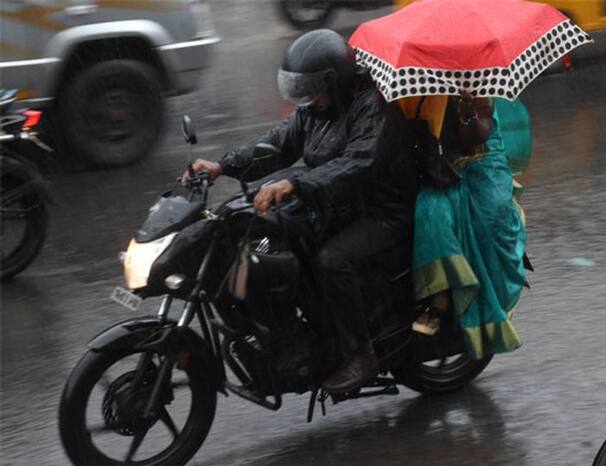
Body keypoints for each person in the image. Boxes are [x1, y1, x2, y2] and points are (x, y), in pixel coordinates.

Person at [188, 29, 417, 393]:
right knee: (272, 243)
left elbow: (358, 163)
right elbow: (279, 144)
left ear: (334, 79)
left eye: (311, 89)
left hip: (383, 208)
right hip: (340, 201)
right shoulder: (319, 109)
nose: (305, 99)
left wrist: (295, 185)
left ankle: (361, 355)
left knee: (330, 259)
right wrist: (223, 166)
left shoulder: (373, 105)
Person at [410, 92, 527, 361]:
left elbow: (477, 137)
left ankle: (444, 302)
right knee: (429, 209)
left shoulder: (479, 89)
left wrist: (467, 110)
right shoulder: (425, 88)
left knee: (488, 219)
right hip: (443, 168)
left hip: (483, 166)